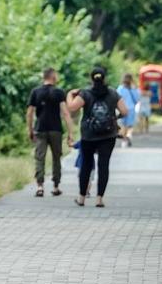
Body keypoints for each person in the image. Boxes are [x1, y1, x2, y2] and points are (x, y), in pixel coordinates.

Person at [66, 66, 128, 208]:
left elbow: (71, 107)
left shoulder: (85, 94)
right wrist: (114, 118)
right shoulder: (113, 94)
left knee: (86, 166)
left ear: (91, 78)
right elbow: (125, 111)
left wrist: (70, 93)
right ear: (105, 78)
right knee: (103, 165)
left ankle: (81, 198)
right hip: (108, 135)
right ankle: (99, 199)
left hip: (88, 135)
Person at [26, 68, 75, 197]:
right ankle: (56, 186)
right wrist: (71, 133)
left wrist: (30, 130)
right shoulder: (59, 92)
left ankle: (40, 187)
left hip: (40, 129)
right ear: (53, 77)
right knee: (56, 158)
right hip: (56, 130)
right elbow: (65, 113)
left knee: (39, 158)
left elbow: (30, 113)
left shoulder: (35, 92)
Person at [116, 73, 140, 146]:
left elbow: (116, 98)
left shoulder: (120, 88)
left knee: (123, 125)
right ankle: (129, 135)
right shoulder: (133, 88)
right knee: (130, 126)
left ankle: (124, 140)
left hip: (122, 108)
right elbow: (137, 99)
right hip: (131, 109)